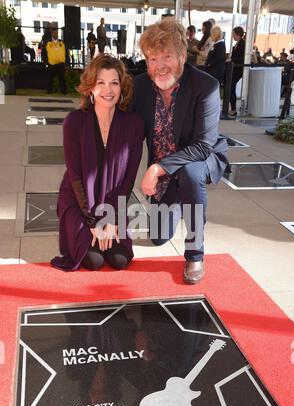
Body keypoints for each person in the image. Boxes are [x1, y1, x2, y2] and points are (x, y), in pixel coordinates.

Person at [133, 18, 229, 284]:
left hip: (201, 158)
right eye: (153, 58)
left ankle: (195, 253)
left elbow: (203, 145)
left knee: (190, 172)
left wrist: (156, 168)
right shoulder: (141, 87)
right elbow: (127, 136)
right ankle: (175, 199)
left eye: (167, 56)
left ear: (183, 56)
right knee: (158, 237)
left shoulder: (205, 86)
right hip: (165, 171)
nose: (160, 65)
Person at [51, 54, 144, 272]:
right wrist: (93, 222)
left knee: (120, 260)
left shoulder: (134, 125)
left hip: (112, 203)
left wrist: (113, 219)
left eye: (114, 83)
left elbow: (128, 180)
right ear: (91, 87)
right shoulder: (73, 122)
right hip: (79, 201)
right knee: (94, 261)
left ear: (122, 88)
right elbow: (75, 176)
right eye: (100, 83)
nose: (108, 90)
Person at [44, 27, 67, 94]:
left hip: (61, 63)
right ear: (52, 34)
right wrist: (46, 61)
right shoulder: (48, 43)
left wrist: (66, 61)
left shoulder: (61, 43)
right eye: (55, 33)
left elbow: (65, 52)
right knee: (50, 78)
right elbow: (44, 52)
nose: (56, 34)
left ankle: (64, 91)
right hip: (51, 63)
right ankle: (49, 91)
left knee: (62, 78)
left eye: (57, 33)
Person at [229, 26, 245, 116]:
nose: (233, 36)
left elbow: (242, 58)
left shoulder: (242, 44)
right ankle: (233, 108)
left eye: (234, 34)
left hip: (238, 69)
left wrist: (232, 59)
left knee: (231, 86)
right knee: (231, 87)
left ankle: (234, 109)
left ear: (238, 35)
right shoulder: (236, 44)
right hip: (234, 69)